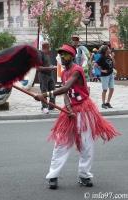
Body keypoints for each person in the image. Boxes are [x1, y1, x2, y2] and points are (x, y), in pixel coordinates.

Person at [34, 44, 120, 189]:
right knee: (61, 143)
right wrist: (68, 109)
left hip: (84, 110)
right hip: (70, 112)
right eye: (61, 55)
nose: (62, 57)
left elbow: (66, 88)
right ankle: (53, 176)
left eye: (65, 55)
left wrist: (46, 94)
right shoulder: (64, 72)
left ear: (72, 57)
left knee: (87, 144)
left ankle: (84, 176)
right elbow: (66, 94)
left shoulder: (77, 70)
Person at [37, 41, 56, 114]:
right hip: (43, 75)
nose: (49, 47)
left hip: (49, 75)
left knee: (52, 91)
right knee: (44, 91)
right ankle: (44, 107)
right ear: (46, 46)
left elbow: (47, 64)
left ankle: (52, 106)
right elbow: (38, 68)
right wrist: (48, 68)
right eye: (49, 46)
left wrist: (51, 66)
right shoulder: (40, 55)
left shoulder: (46, 54)